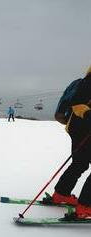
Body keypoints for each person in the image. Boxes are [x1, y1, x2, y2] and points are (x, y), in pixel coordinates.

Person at [51, 65, 91, 219]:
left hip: (77, 129)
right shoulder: (87, 84)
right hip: (85, 130)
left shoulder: (83, 82)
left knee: (80, 163)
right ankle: (85, 206)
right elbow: (78, 104)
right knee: (80, 163)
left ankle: (61, 194)